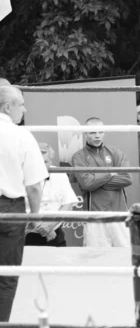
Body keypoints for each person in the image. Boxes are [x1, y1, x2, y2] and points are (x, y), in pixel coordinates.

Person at [0, 85, 48, 322]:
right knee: (7, 277)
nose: (24, 109)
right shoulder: (21, 135)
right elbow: (34, 187)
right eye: (21, 104)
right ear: (8, 107)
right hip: (10, 210)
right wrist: (35, 216)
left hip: (11, 209)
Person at [72, 117, 133, 247]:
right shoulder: (78, 156)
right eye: (92, 132)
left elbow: (127, 178)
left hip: (119, 214)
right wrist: (110, 174)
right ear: (85, 133)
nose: (97, 136)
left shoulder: (115, 151)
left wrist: (96, 179)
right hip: (95, 216)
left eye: (100, 132)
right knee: (96, 258)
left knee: (124, 256)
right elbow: (87, 184)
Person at [25, 143, 78, 247]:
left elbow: (68, 204)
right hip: (26, 235)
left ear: (51, 160)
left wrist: (51, 225)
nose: (42, 166)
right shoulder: (21, 175)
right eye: (39, 162)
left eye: (46, 162)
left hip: (55, 234)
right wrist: (42, 229)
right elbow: (16, 207)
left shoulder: (60, 174)